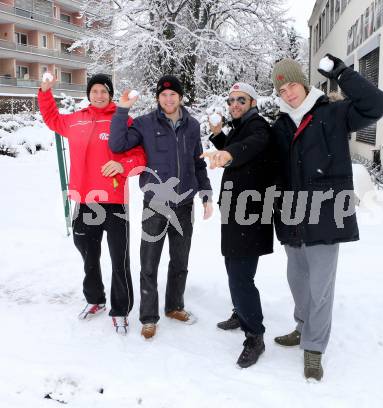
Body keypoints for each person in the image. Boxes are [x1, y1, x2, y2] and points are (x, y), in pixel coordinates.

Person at [271, 55, 383, 380]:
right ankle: (302, 326)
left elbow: (375, 106)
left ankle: (314, 348)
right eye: (282, 88)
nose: (288, 92)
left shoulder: (333, 113)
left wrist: (342, 73)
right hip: (292, 217)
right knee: (297, 281)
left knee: (320, 287)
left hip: (326, 215)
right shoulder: (281, 124)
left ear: (303, 83)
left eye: (292, 84)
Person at [38, 74, 146, 335]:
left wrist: (123, 165)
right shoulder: (76, 120)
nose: (99, 95)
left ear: (110, 94)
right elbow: (52, 119)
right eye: (94, 91)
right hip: (86, 200)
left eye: (103, 91)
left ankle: (120, 310)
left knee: (119, 259)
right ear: (88, 94)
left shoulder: (122, 121)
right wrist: (44, 91)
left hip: (115, 201)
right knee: (88, 253)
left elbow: (140, 156)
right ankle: (95, 298)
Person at [109, 75, 213, 340]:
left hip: (185, 204)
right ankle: (148, 317)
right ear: (158, 98)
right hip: (155, 204)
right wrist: (122, 111)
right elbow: (117, 145)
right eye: (163, 95)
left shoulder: (192, 126)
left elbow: (198, 163)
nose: (168, 99)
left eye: (173, 95)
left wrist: (206, 194)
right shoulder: (144, 123)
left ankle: (175, 306)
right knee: (149, 262)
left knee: (180, 260)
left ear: (180, 97)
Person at [202, 82, 274, 368]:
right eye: (231, 100)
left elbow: (249, 147)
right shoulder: (242, 126)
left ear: (253, 102)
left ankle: (255, 335)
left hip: (251, 213)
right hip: (235, 210)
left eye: (240, 100)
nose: (234, 105)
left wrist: (229, 153)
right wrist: (220, 137)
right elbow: (235, 147)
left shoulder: (259, 127)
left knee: (241, 276)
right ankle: (240, 313)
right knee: (233, 268)